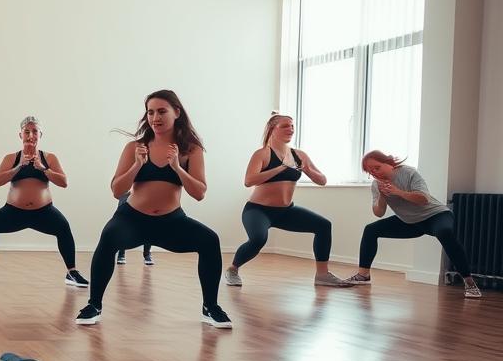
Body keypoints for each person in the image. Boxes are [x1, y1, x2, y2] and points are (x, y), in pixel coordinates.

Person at [76, 89, 231, 328]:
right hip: (132, 220)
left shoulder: (191, 150)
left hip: (172, 222)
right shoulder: (135, 147)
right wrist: (137, 165)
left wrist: (178, 168)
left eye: (161, 111)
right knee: (108, 237)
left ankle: (210, 307)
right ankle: (94, 304)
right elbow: (117, 190)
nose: (155, 117)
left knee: (210, 241)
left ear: (176, 112)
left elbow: (199, 193)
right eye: (150, 112)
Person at [226, 114, 350, 287]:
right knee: (258, 240)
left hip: (286, 211)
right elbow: (249, 180)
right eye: (285, 126)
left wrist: (307, 170)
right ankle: (233, 269)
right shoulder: (262, 154)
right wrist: (280, 168)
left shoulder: (298, 155)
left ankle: (322, 275)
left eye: (292, 126)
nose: (290, 129)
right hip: (258, 210)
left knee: (323, 225)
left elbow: (322, 180)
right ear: (272, 129)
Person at [0, 117, 88, 288]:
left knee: (63, 228)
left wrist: (43, 168)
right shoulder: (12, 158)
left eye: (34, 131)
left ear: (40, 134)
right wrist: (18, 167)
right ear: (20, 134)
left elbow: (64, 182)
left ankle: (71, 272)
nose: (30, 135)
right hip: (14, 212)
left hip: (44, 212)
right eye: (27, 131)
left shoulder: (48, 158)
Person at [349, 150, 482, 298]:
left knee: (444, 233)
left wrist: (397, 192)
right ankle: (363, 276)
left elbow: (423, 199)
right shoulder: (376, 185)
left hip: (436, 215)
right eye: (370, 172)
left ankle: (469, 282)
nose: (375, 173)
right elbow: (378, 212)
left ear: (389, 163)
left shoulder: (408, 172)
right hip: (410, 222)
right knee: (371, 230)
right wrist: (382, 196)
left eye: (377, 168)